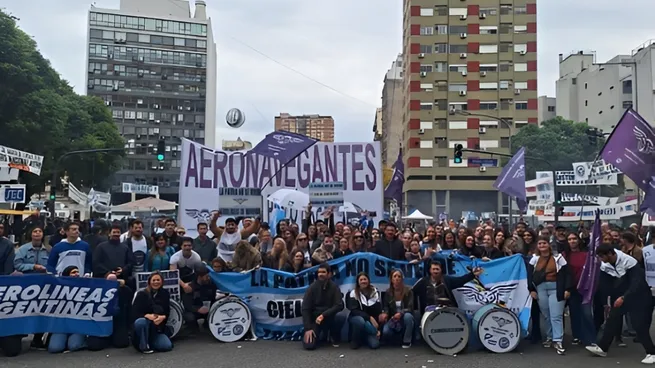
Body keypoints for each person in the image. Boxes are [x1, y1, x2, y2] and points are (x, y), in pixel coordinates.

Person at [586, 244, 655, 364]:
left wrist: (624, 297)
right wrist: (606, 301)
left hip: (640, 296)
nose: (601, 260)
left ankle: (652, 353)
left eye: (602, 256)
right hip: (622, 296)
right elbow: (605, 284)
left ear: (610, 254)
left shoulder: (629, 261)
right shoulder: (605, 264)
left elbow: (636, 283)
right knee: (612, 318)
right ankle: (603, 348)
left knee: (639, 325)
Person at [528, 235, 571, 355]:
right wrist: (531, 290)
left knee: (556, 315)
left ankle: (558, 340)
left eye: (544, 243)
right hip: (541, 288)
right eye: (540, 244)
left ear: (549, 245)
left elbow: (567, 273)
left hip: (556, 288)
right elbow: (529, 275)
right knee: (546, 314)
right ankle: (550, 336)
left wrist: (567, 289)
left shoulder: (558, 257)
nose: (542, 246)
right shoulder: (534, 259)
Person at [301, 263, 344, 350]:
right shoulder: (312, 288)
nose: (320, 274)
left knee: (341, 317)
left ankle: (333, 336)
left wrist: (324, 315)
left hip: (329, 317)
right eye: (319, 272)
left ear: (329, 274)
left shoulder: (334, 287)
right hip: (315, 320)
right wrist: (308, 328)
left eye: (323, 272)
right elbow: (305, 308)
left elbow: (339, 305)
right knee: (309, 346)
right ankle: (319, 335)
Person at [413, 260, 482, 311]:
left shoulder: (447, 279)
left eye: (437, 269)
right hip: (429, 311)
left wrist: (472, 274)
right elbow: (413, 291)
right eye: (433, 269)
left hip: (447, 309)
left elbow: (461, 280)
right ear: (430, 270)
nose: (435, 271)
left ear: (441, 270)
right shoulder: (423, 281)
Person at [48, 266, 87, 353]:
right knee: (54, 348)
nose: (76, 274)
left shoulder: (85, 287)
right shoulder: (58, 289)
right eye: (73, 272)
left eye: (77, 272)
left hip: (78, 325)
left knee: (74, 346)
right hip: (62, 326)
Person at [132, 272, 173, 354]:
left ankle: (152, 342)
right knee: (141, 322)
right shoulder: (141, 294)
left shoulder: (165, 294)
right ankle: (143, 345)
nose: (156, 282)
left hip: (157, 327)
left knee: (166, 346)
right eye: (153, 280)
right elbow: (134, 313)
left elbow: (167, 311)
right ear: (149, 282)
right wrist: (146, 316)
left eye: (158, 280)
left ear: (162, 282)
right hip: (144, 324)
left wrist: (163, 317)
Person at [346, 272, 381, 349]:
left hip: (370, 322)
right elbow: (354, 311)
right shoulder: (353, 293)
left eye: (365, 279)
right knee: (360, 320)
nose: (363, 281)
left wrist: (377, 326)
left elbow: (378, 310)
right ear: (358, 282)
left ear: (368, 280)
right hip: (356, 318)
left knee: (375, 345)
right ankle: (355, 340)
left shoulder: (374, 292)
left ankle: (365, 336)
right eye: (361, 280)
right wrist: (369, 318)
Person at [381, 269, 415, 348]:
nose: (397, 278)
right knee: (386, 332)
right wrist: (385, 313)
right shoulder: (388, 292)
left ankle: (407, 341)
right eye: (395, 276)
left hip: (404, 317)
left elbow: (410, 307)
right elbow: (386, 307)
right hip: (393, 319)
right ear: (391, 279)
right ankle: (397, 338)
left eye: (399, 276)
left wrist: (401, 313)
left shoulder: (408, 291)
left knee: (408, 316)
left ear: (402, 279)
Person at [181, 266, 217, 334]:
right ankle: (192, 327)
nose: (208, 278)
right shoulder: (190, 287)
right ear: (200, 277)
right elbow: (187, 304)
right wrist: (197, 309)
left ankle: (207, 324)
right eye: (206, 276)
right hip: (195, 309)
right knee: (189, 316)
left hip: (208, 308)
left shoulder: (211, 285)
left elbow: (213, 298)